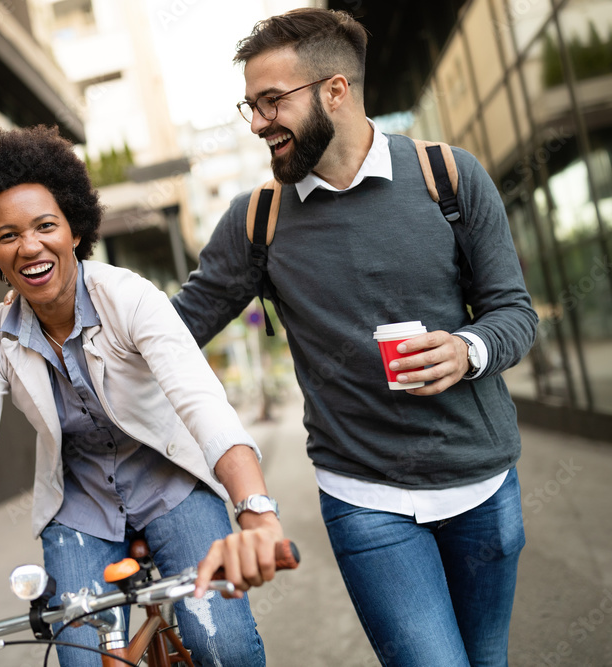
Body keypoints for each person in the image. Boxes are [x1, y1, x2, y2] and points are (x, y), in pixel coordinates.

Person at [176, 9, 538, 667]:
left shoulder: (449, 177)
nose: (257, 122)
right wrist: (71, 297)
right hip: (365, 496)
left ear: (335, 91)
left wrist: (468, 349)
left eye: (271, 101)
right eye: (249, 106)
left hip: (483, 485)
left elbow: (514, 312)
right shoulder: (257, 219)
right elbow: (176, 328)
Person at [0, 125, 284, 667]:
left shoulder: (129, 298)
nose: (29, 245)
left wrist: (256, 513)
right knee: (80, 660)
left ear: (75, 230)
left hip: (172, 484)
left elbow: (205, 406)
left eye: (45, 226)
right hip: (78, 506)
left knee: (224, 647)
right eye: (7, 235)